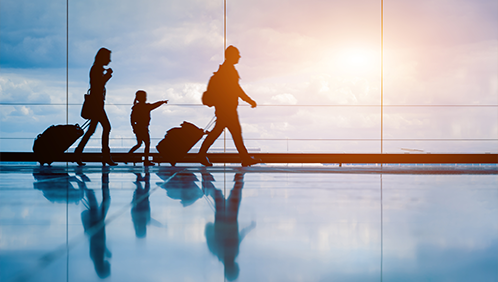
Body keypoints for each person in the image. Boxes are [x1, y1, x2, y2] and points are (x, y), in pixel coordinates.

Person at [198, 45, 259, 167]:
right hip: (228, 109)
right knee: (235, 132)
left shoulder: (224, 70)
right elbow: (237, 90)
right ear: (231, 56)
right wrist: (250, 101)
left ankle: (201, 154)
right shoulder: (229, 71)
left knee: (220, 132)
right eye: (237, 55)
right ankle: (244, 158)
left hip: (223, 108)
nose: (239, 57)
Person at [75, 47, 116, 166]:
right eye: (108, 58)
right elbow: (98, 85)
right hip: (97, 104)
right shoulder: (96, 69)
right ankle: (106, 157)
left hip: (96, 104)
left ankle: (78, 153)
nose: (110, 61)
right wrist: (108, 76)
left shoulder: (96, 69)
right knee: (106, 127)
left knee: (91, 130)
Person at [128, 90, 168, 166]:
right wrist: (162, 102)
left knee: (139, 144)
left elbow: (132, 119)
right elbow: (155, 105)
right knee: (147, 143)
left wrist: (134, 128)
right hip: (143, 128)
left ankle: (127, 156)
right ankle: (145, 161)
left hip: (138, 128)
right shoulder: (146, 107)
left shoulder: (136, 107)